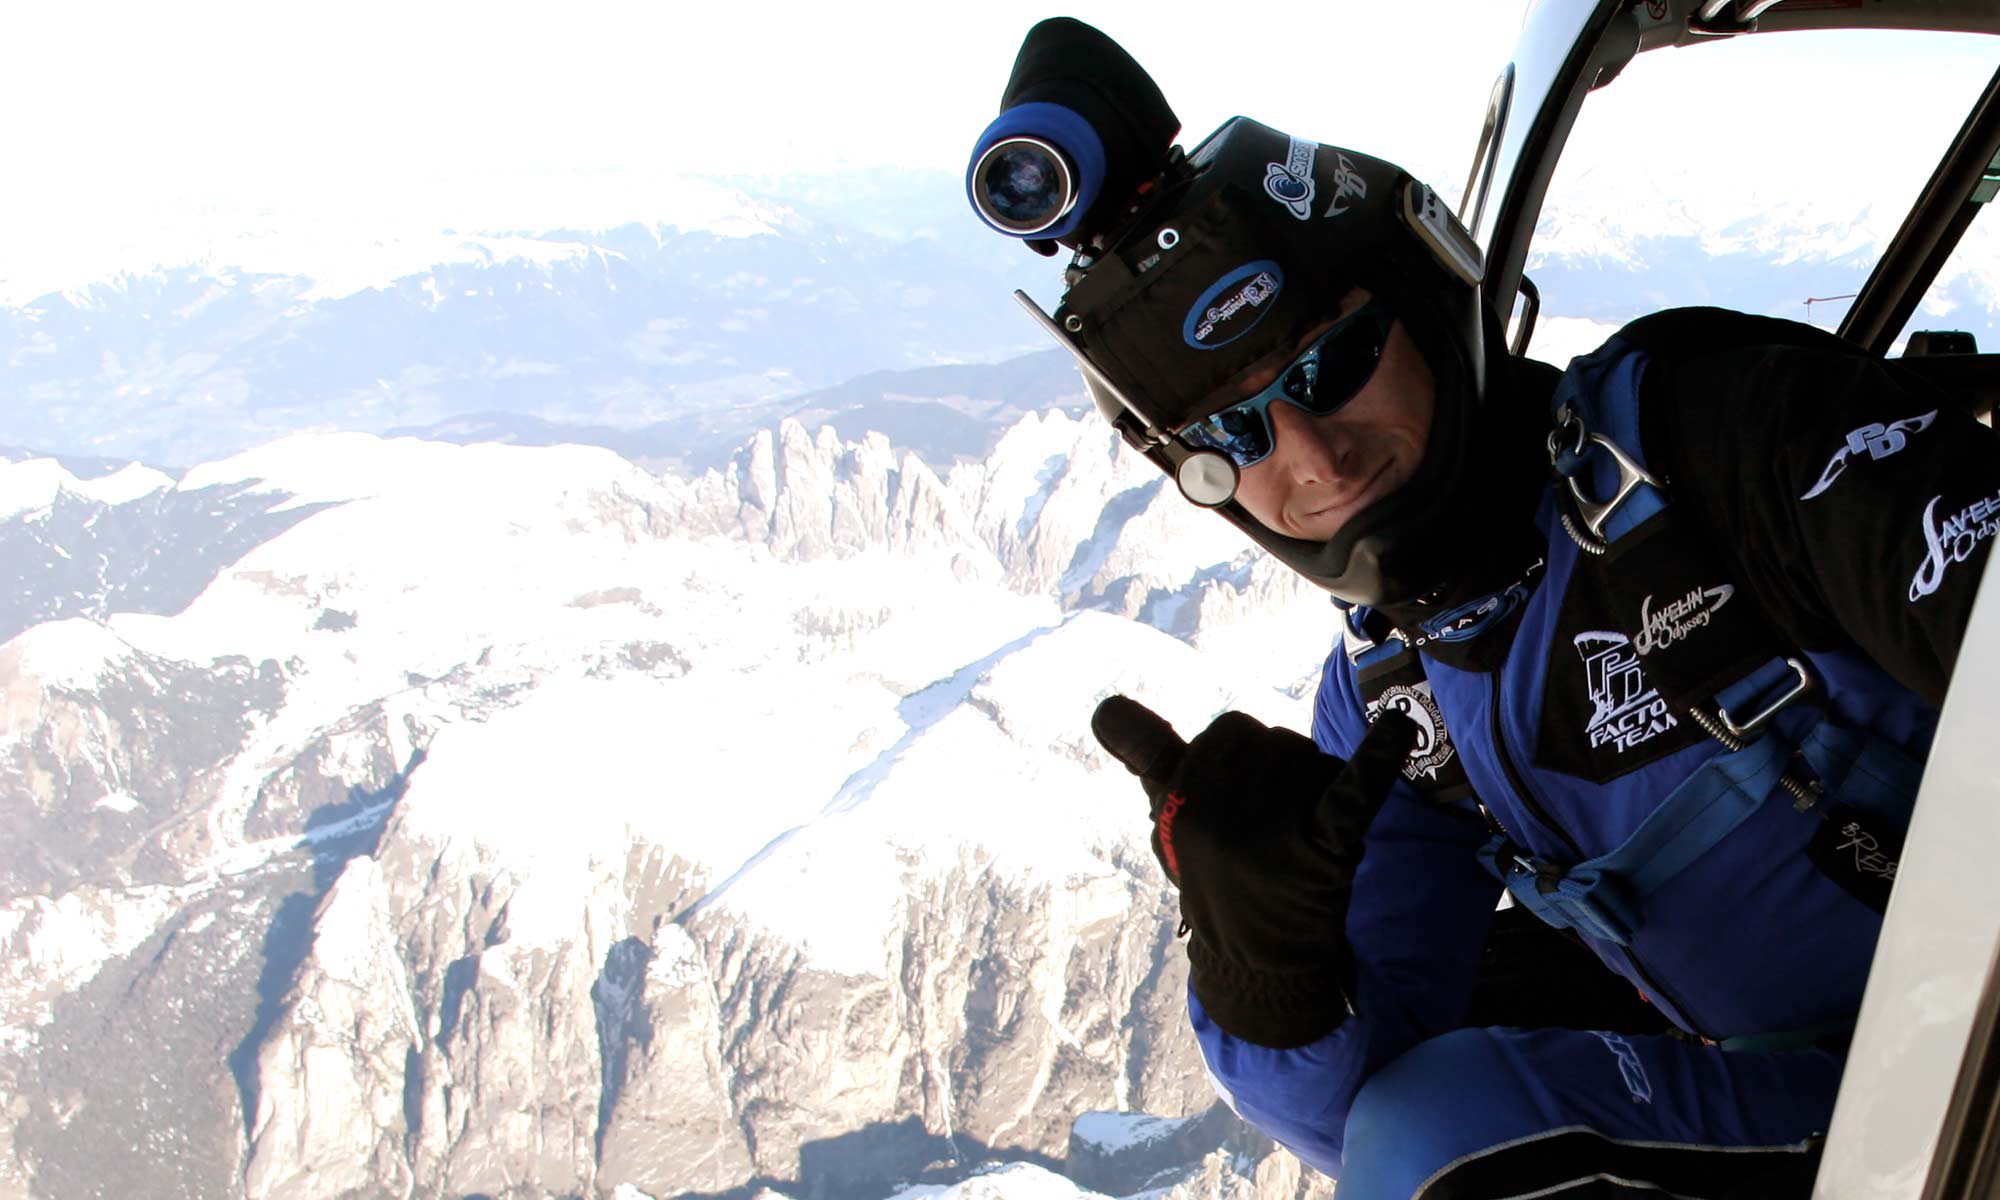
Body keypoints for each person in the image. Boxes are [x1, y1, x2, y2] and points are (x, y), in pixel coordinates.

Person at [963, 18, 1998, 1200]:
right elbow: (1352, 1126)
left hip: (1971, 1065)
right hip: (1863, 1109)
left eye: (1327, 362)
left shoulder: (1715, 441)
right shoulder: (1394, 700)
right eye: (1231, 433)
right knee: (1430, 1105)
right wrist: (1267, 981)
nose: (1312, 456)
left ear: (1421, 296)